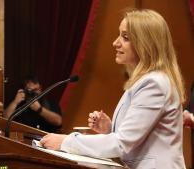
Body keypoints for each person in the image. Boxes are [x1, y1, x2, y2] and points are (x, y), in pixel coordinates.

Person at [40, 9, 186, 169]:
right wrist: (110, 129)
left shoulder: (153, 83)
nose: (115, 43)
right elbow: (136, 138)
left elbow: (123, 143)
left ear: (146, 44)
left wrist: (65, 141)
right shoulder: (144, 81)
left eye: (125, 37)